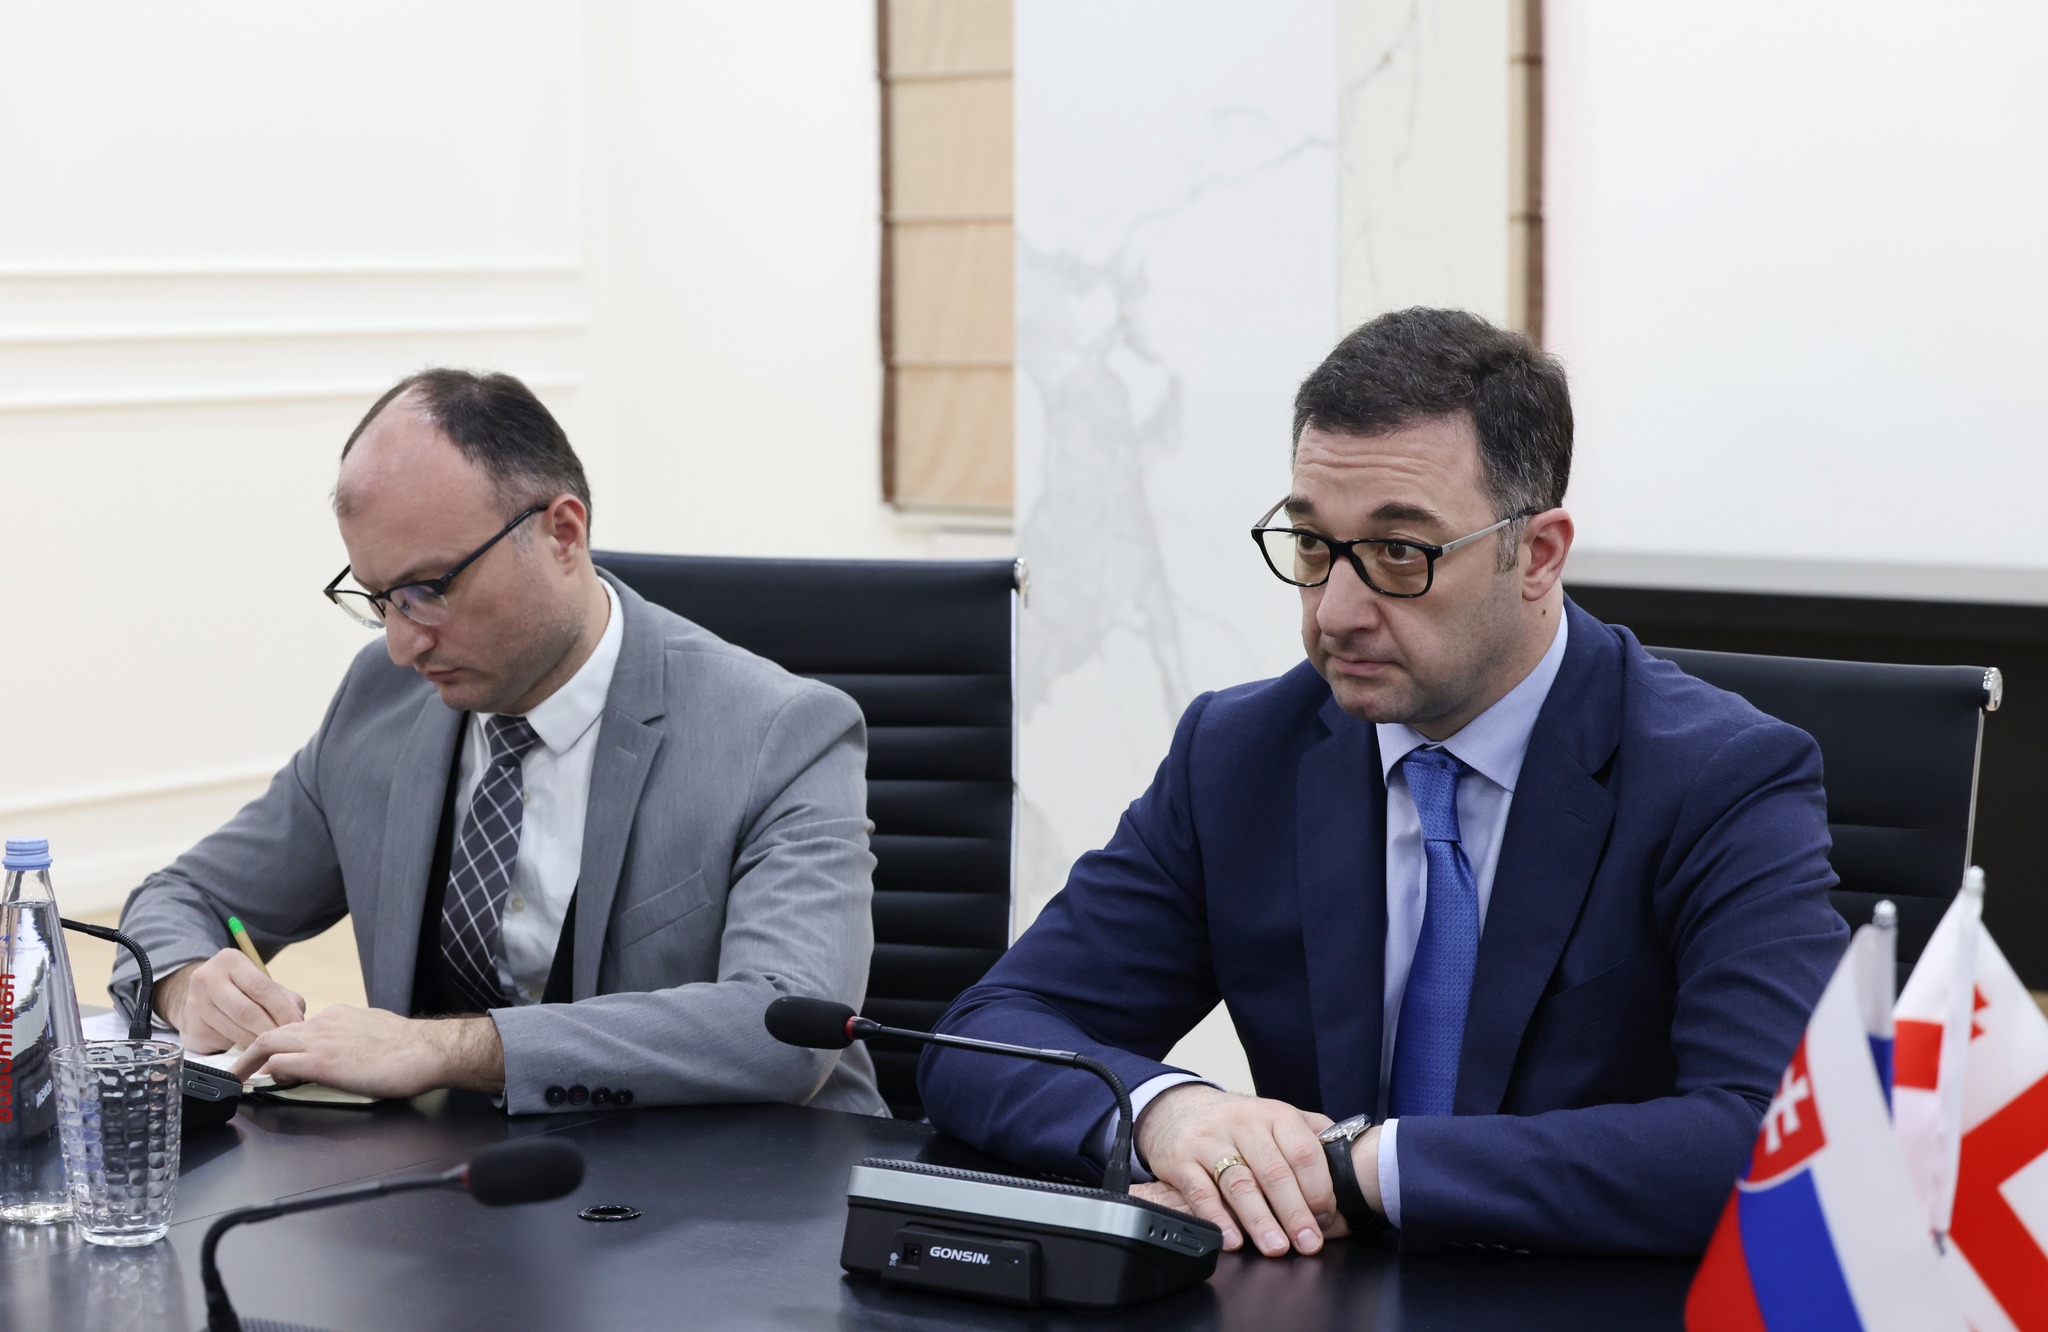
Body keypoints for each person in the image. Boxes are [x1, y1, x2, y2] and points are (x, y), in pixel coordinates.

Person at [918, 308, 1846, 1255]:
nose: (1335, 612)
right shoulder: (1240, 753)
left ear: (1538, 555)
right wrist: (1168, 1110)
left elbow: (1775, 1138)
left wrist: (1365, 1170)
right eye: (1312, 545)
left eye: (1400, 552)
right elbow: (986, 1035)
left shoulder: (1719, 777)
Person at [112, 369, 885, 1115]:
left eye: (429, 590)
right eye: (379, 599)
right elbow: (182, 899)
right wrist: (186, 982)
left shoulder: (780, 733)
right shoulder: (382, 702)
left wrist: (449, 1049)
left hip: (736, 1179)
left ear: (563, 533)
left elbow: (785, 1026)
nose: (401, 645)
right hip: (456, 1180)